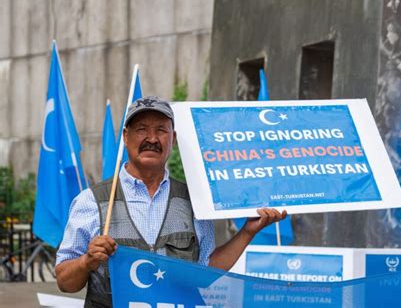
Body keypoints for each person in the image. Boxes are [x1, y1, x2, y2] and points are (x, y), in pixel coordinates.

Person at [55, 96, 287, 307]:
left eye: (161, 130)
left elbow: (204, 272)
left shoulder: (194, 201)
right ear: (125, 136)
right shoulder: (91, 201)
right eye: (142, 129)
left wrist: (247, 232)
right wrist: (87, 261)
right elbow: (65, 282)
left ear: (173, 138)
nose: (152, 138)